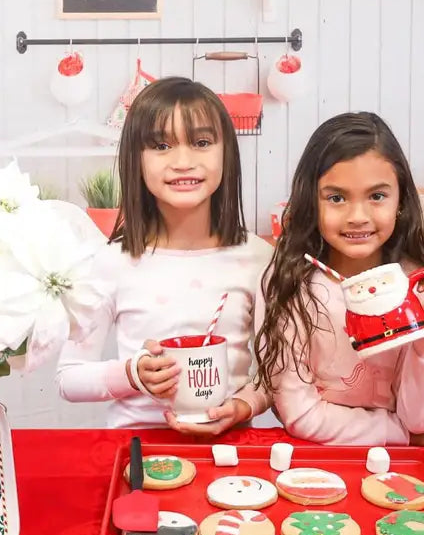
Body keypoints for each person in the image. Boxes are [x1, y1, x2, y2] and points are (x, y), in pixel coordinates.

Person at [256, 111, 424, 446]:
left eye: (377, 196)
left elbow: (422, 419)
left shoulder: (420, 282)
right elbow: (299, 415)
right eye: (336, 198)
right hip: (317, 465)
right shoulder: (290, 284)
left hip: (402, 468)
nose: (357, 217)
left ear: (401, 200)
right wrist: (402, 434)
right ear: (311, 200)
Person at [57, 76, 272, 434]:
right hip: (135, 452)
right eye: (161, 145)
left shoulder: (257, 257)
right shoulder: (111, 262)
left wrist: (242, 406)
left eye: (202, 142)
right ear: (135, 158)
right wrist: (132, 374)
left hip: (231, 457)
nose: (183, 161)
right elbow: (68, 378)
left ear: (226, 153)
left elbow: (275, 374)